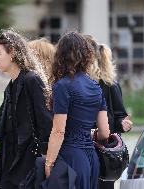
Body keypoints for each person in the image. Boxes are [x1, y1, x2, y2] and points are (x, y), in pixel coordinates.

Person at [0, 30, 53, 189]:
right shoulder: (11, 85)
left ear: (13, 53)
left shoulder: (32, 79)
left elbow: (46, 121)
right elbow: (1, 116)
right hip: (10, 155)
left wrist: (47, 159)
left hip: (28, 157)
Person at [44, 31, 110, 189]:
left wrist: (49, 162)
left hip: (70, 156)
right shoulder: (95, 86)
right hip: (91, 158)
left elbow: (59, 131)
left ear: (61, 56)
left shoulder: (62, 86)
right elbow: (105, 133)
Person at [87, 37, 133, 189]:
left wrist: (123, 124)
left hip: (104, 146)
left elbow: (119, 114)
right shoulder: (81, 83)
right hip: (85, 142)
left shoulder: (110, 84)